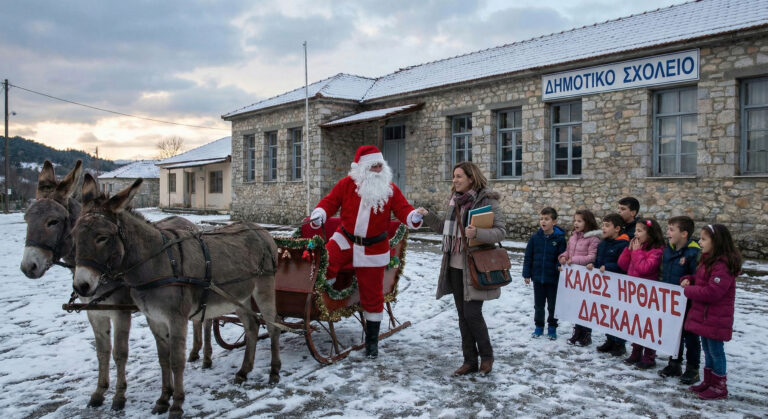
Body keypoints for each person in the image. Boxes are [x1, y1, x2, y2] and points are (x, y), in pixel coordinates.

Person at [309, 145, 422, 358]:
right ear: (361, 168)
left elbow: (403, 209)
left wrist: (413, 217)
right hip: (345, 239)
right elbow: (330, 202)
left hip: (373, 248)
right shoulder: (346, 185)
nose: (378, 169)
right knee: (323, 262)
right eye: (373, 166)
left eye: (380, 165)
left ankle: (371, 343)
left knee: (372, 294)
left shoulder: (390, 189)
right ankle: (323, 303)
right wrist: (320, 213)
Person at [416, 161, 506, 376]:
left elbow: (501, 231)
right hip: (454, 266)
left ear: (471, 178)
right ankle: (469, 361)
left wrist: (478, 233)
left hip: (475, 266)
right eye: (453, 176)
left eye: (459, 176)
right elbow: (443, 229)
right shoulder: (454, 200)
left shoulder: (487, 200)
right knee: (462, 316)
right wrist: (427, 214)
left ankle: (487, 356)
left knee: (472, 313)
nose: (454, 180)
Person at [680, 224, 741, 400]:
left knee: (716, 351)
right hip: (706, 316)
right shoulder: (708, 260)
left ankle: (719, 386)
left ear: (716, 242)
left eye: (704, 239)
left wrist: (689, 291)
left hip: (716, 317)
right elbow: (702, 280)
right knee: (707, 349)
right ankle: (709, 381)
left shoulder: (722, 265)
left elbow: (713, 292)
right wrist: (689, 279)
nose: (700, 242)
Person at [658, 216, 702, 383]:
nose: (668, 233)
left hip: (688, 302)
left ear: (684, 234)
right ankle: (674, 363)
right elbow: (663, 272)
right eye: (668, 229)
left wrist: (689, 284)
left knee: (690, 336)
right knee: (674, 333)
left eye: (671, 230)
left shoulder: (693, 253)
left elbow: (697, 277)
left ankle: (692, 368)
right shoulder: (668, 250)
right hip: (671, 299)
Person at [617, 218, 665, 369]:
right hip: (634, 292)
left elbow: (645, 268)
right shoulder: (637, 247)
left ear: (650, 233)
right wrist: (629, 250)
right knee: (636, 323)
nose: (636, 234)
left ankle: (649, 355)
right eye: (635, 230)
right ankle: (636, 351)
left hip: (648, 294)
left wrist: (637, 252)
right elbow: (622, 264)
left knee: (647, 325)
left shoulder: (657, 250)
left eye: (639, 231)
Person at [523, 207, 567, 340]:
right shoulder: (535, 238)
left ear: (554, 222)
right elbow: (528, 256)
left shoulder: (560, 239)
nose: (543, 221)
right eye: (541, 219)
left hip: (553, 279)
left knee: (552, 306)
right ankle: (539, 326)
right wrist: (527, 274)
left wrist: (559, 266)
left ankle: (552, 327)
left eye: (546, 219)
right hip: (538, 278)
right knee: (539, 305)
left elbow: (562, 256)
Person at [560, 209, 602, 345]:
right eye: (575, 220)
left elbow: (592, 257)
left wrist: (574, 260)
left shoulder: (593, 239)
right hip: (574, 277)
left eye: (579, 221)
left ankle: (586, 334)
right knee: (576, 305)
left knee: (586, 306)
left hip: (586, 277)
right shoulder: (573, 237)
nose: (576, 223)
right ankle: (577, 331)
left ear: (587, 222)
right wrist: (563, 257)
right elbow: (568, 251)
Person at [591, 213, 630, 356]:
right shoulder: (603, 244)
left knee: (618, 314)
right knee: (608, 313)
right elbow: (598, 261)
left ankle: (619, 343)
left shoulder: (623, 245)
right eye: (603, 225)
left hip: (618, 285)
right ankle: (610, 339)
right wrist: (593, 266)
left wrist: (608, 267)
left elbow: (623, 265)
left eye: (607, 226)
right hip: (605, 285)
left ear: (617, 229)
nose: (603, 228)